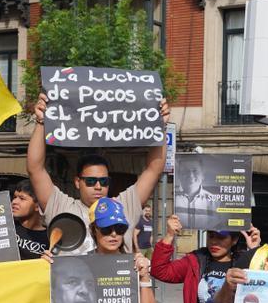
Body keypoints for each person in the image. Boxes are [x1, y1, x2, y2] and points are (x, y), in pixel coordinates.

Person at [26, 93, 169, 253]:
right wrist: (41, 121)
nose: (99, 186)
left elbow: (154, 170)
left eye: (104, 181)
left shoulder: (123, 207)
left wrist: (160, 127)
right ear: (77, 182)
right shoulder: (62, 207)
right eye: (91, 181)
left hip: (117, 278)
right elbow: (35, 169)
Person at [173, 158, 219, 228]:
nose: (190, 175)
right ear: (179, 175)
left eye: (195, 171)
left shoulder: (215, 202)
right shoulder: (171, 198)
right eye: (185, 171)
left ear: (202, 175)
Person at [11, 179, 48, 260]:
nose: (14, 201)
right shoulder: (7, 227)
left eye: (22, 198)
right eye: (14, 197)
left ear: (37, 206)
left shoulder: (49, 237)